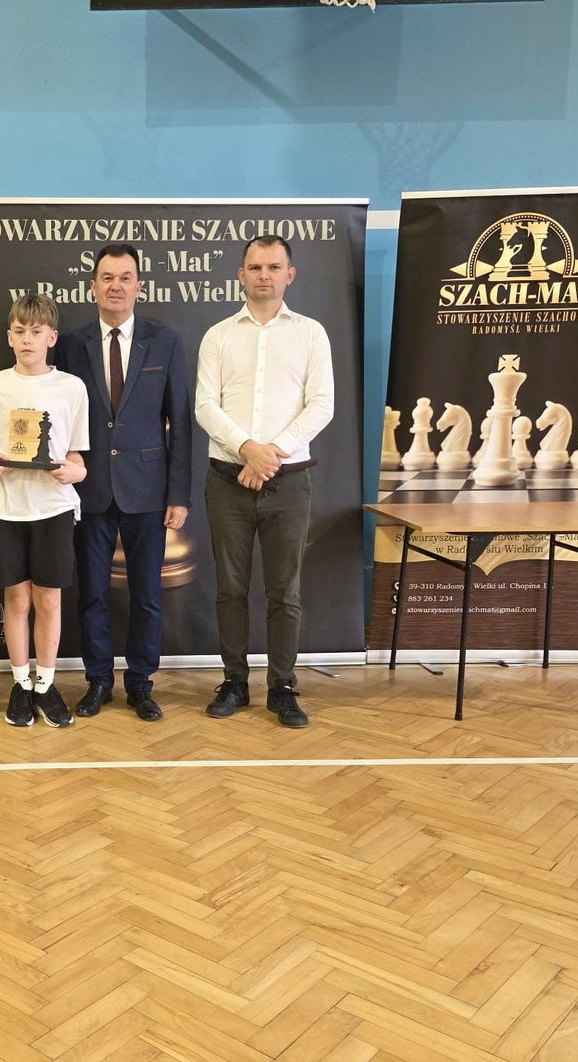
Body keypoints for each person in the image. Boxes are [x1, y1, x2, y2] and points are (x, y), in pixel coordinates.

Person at [194, 236, 334, 727]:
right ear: (241, 275)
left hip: (288, 484)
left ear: (289, 275)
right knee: (230, 589)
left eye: (274, 267)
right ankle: (235, 682)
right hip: (227, 481)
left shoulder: (311, 334)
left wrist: (269, 455)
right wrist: (247, 449)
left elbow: (322, 404)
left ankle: (282, 687)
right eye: (255, 267)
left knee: (284, 592)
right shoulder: (218, 336)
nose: (264, 275)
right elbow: (205, 405)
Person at [54, 242, 192, 723]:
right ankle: (98, 681)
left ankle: (141, 684)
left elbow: (180, 420)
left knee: (147, 595)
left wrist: (178, 494)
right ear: (93, 286)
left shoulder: (165, 341)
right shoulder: (71, 345)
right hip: (88, 488)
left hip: (149, 490)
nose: (116, 286)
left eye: (125, 277)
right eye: (107, 277)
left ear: (139, 286)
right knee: (91, 592)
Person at [0, 293, 89, 728]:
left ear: (51, 337)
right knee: (17, 598)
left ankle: (46, 683)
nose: (27, 339)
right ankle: (20, 683)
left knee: (48, 598)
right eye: (20, 332)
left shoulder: (71, 387)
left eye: (36, 332)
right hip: (8, 507)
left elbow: (77, 457)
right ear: (9, 337)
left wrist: (74, 472)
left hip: (54, 507)